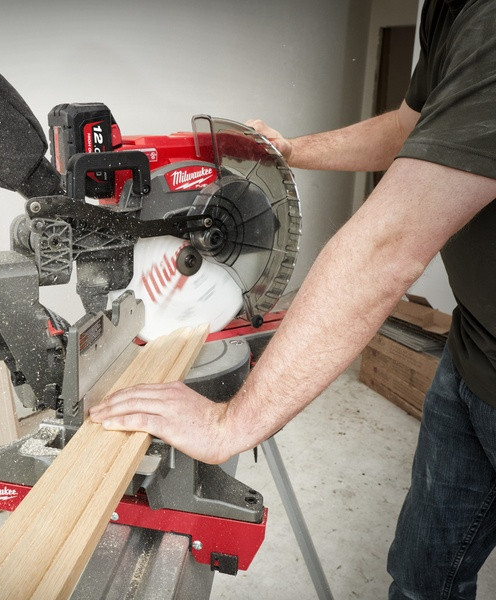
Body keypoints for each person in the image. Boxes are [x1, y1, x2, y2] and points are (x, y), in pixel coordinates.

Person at [89, 0, 496, 597]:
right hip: (472, 348)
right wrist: (288, 152)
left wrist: (230, 423)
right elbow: (413, 129)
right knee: (422, 577)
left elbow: (387, 248)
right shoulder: (450, 9)